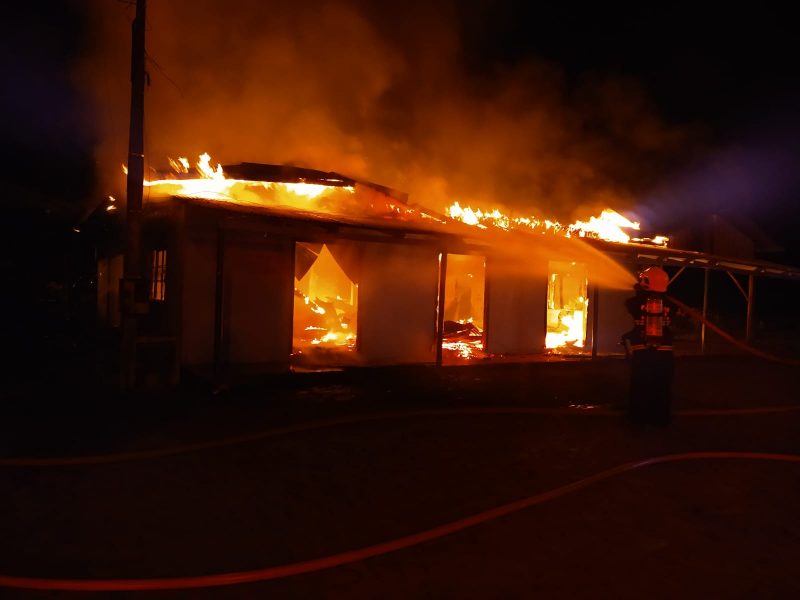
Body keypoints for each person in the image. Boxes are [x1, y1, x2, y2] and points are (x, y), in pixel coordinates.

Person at [621, 266, 675, 426]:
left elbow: (630, 304)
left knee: (640, 387)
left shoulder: (633, 303)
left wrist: (639, 291)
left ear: (645, 282)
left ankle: (637, 421)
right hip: (665, 354)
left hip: (643, 353)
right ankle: (661, 421)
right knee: (662, 388)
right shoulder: (671, 303)